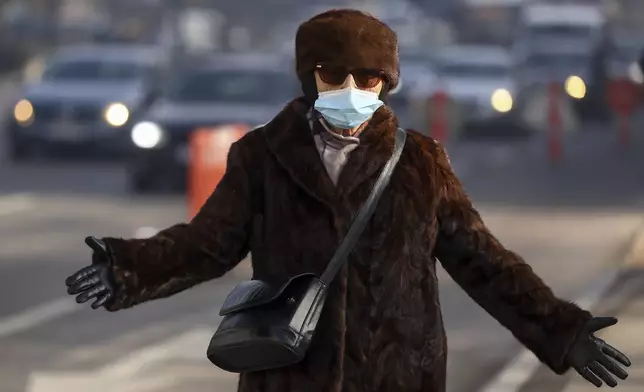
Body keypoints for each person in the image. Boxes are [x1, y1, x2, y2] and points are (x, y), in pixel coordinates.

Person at [65, 9, 631, 392]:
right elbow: (206, 244)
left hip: (398, 374)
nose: (353, 91)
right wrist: (128, 267)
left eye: (370, 78)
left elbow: (483, 260)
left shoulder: (420, 162)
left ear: (388, 83)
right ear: (310, 78)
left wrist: (562, 329)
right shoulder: (262, 156)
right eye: (335, 75)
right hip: (288, 371)